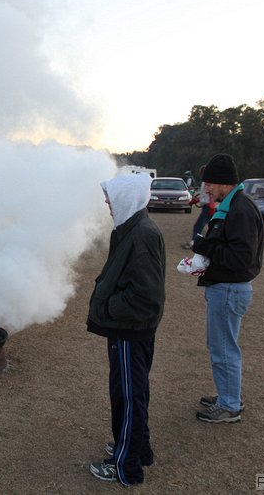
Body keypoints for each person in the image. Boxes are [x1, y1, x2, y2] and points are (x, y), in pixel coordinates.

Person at [86, 172, 166, 487]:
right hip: (128, 330)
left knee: (129, 398)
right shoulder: (131, 229)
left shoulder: (142, 234)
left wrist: (108, 308)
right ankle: (138, 448)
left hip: (129, 331)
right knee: (133, 394)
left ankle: (126, 467)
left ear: (126, 199)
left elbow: (146, 297)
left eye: (110, 196)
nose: (106, 201)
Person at [191, 154, 263, 423]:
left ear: (223, 183)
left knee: (223, 348)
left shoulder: (240, 210)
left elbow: (240, 258)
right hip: (226, 287)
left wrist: (202, 246)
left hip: (229, 289)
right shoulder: (233, 206)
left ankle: (230, 405)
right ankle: (226, 396)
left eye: (209, 183)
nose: (206, 188)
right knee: (220, 345)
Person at [182, 165, 216, 249]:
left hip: (208, 207)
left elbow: (209, 195)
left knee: (198, 226)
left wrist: (194, 201)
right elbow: (203, 196)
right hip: (208, 206)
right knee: (212, 226)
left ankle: (194, 243)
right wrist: (194, 201)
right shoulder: (207, 182)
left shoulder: (207, 183)